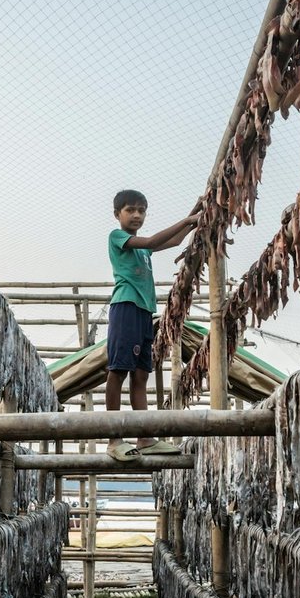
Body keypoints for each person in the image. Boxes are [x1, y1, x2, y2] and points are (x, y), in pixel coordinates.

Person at [105, 189, 199, 461]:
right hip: (126, 307)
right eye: (130, 210)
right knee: (118, 370)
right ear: (117, 214)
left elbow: (174, 241)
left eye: (142, 210)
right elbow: (156, 238)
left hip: (145, 311)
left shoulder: (143, 248)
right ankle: (114, 438)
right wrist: (187, 219)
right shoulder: (118, 237)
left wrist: (196, 216)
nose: (136, 215)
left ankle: (145, 437)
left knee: (141, 375)